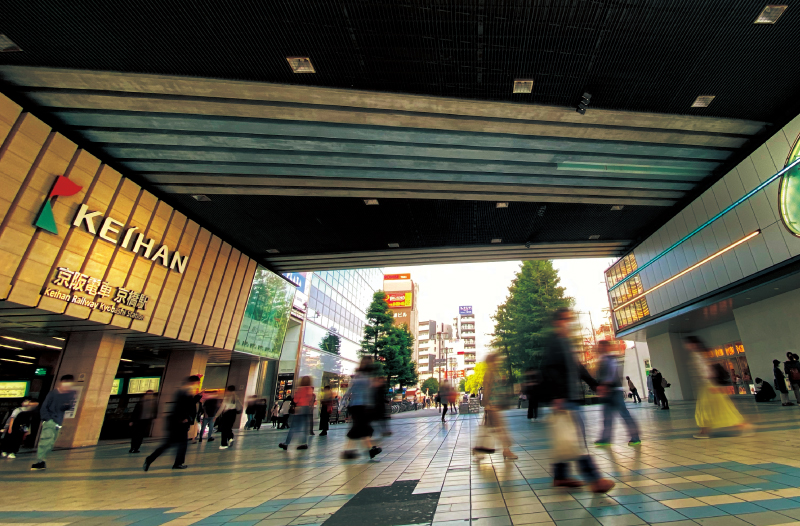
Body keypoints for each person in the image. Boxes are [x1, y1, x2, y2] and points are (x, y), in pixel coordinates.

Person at [540, 308, 614, 493]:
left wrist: (595, 385)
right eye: (566, 320)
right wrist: (557, 396)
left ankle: (561, 476)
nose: (569, 323)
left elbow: (577, 367)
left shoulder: (565, 342)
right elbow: (547, 368)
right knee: (576, 440)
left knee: (567, 438)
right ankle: (594, 479)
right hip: (564, 398)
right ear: (558, 322)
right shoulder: (555, 342)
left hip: (570, 397)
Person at [684, 336, 751, 439]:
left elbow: (705, 371)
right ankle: (704, 431)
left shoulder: (698, 355)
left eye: (687, 343)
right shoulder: (700, 354)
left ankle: (744, 426)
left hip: (708, 386)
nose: (686, 346)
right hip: (707, 386)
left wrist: (710, 384)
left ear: (693, 344)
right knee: (709, 408)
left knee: (716, 408)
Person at [143, 375, 200, 471]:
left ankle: (151, 458)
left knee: (169, 443)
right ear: (193, 382)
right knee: (181, 443)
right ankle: (177, 463)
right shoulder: (185, 392)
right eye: (197, 383)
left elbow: (185, 405)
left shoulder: (183, 391)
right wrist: (183, 418)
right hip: (180, 422)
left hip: (176, 422)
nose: (197, 386)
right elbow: (182, 406)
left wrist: (196, 398)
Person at [595, 341, 641, 447]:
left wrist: (605, 384)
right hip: (608, 392)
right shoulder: (603, 359)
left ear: (607, 347)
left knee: (623, 414)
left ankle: (635, 437)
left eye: (602, 346)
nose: (600, 348)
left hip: (615, 391)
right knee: (607, 416)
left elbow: (611, 374)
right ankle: (606, 438)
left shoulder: (610, 359)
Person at [472, 352, 516, 459]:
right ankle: (506, 450)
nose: (498, 362)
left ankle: (478, 450)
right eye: (495, 360)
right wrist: (487, 404)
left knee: (490, 428)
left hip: (495, 405)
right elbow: (486, 390)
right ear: (491, 362)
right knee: (500, 428)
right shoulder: (489, 373)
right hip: (492, 405)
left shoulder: (495, 372)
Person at [31, 374, 76, 471]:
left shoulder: (69, 394)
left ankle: (42, 461)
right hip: (50, 420)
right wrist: (47, 419)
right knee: (45, 441)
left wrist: (68, 404)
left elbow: (65, 408)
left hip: (58, 422)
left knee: (50, 443)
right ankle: (40, 462)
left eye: (69, 383)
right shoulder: (53, 393)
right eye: (66, 382)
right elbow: (44, 407)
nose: (67, 385)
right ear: (62, 382)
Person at [340, 357, 382, 459]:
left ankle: (367, 449)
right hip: (361, 407)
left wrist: (343, 403)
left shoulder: (359, 376)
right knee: (360, 427)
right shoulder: (365, 377)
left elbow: (350, 390)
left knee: (361, 428)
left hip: (356, 406)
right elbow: (366, 392)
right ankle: (350, 451)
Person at [280, 376, 313, 451]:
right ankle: (304, 443)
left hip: (300, 408)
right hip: (307, 408)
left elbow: (295, 400)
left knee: (294, 427)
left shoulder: (301, 389)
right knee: (305, 427)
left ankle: (286, 443)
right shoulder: (310, 389)